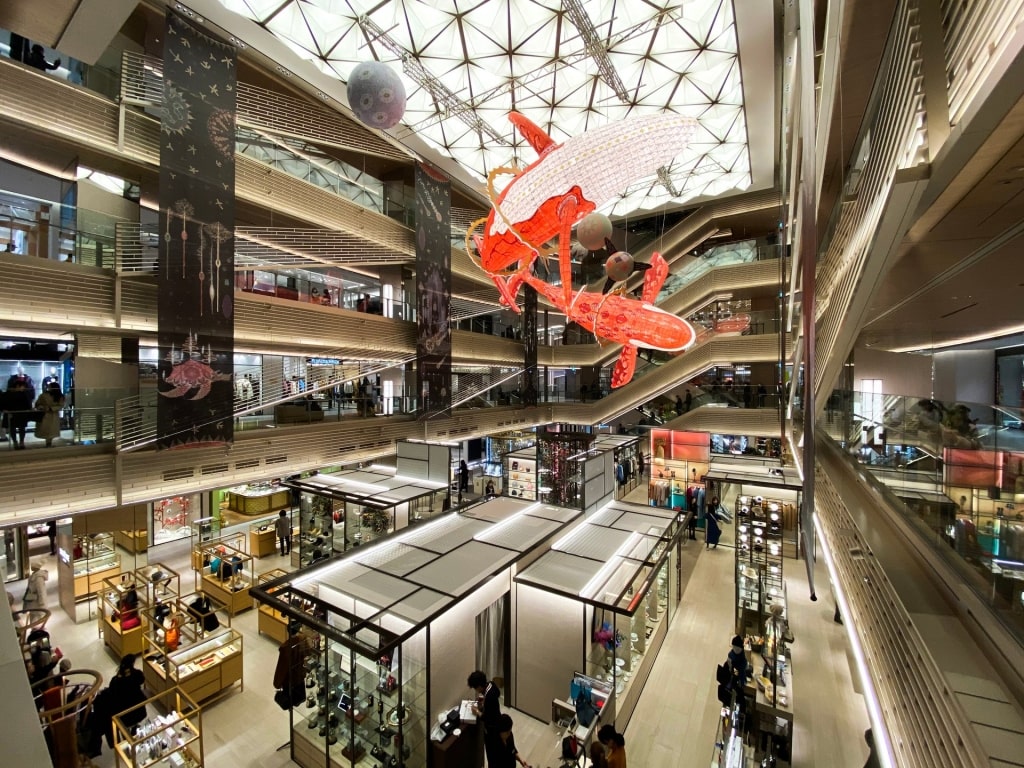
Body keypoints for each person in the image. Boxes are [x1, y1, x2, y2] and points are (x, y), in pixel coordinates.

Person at [468, 670, 501, 765]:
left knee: (491, 755)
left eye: (475, 688)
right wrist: (484, 701)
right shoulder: (491, 684)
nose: (476, 690)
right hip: (498, 719)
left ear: (478, 686)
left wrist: (477, 711)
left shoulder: (489, 696)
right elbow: (497, 693)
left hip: (491, 729)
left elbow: (486, 718)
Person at [33, 381, 64, 447]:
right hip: (45, 415)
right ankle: (48, 442)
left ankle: (49, 442)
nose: (48, 388)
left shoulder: (60, 396)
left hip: (53, 415)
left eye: (50, 387)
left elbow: (61, 405)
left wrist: (51, 408)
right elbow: (37, 404)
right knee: (46, 429)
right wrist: (41, 407)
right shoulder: (43, 395)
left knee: (51, 430)